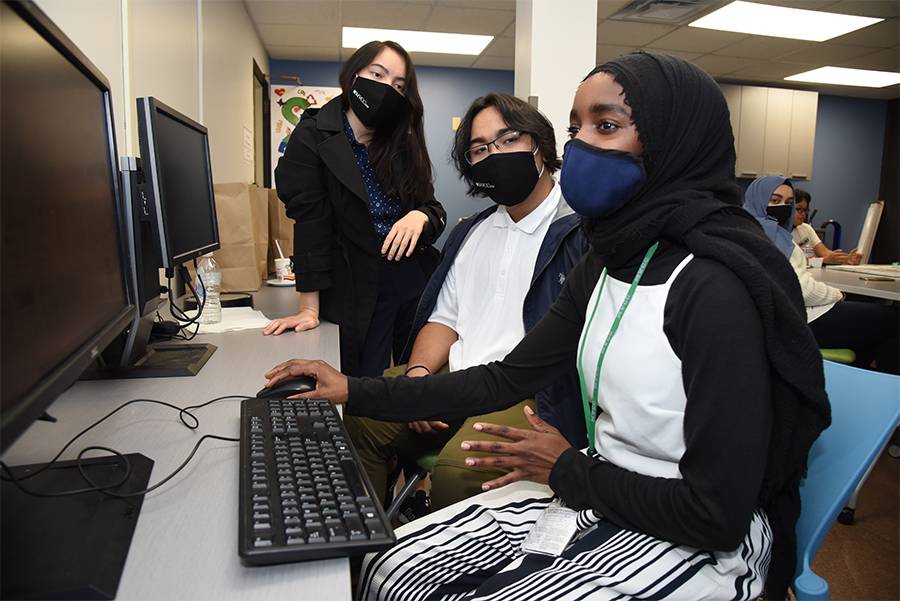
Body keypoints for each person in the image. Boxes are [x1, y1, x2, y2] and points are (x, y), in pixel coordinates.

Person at [265, 53, 832, 600]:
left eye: (606, 125)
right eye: (577, 127)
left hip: (695, 533)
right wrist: (353, 389)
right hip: (604, 491)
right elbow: (504, 377)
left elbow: (715, 514)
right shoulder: (609, 260)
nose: (581, 145)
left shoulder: (714, 285)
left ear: (674, 141)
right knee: (389, 569)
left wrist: (565, 468)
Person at [344, 93, 588, 512]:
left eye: (508, 139)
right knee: (360, 418)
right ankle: (363, 547)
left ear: (540, 146)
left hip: (530, 392)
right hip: (457, 377)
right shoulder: (469, 233)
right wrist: (420, 378)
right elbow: (445, 319)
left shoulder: (581, 233)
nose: (494, 155)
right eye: (479, 149)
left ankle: (446, 569)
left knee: (460, 470)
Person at [264, 41, 446, 377]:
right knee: (364, 383)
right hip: (355, 285)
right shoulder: (313, 137)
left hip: (412, 279)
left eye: (399, 85)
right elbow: (311, 224)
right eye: (378, 74)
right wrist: (308, 308)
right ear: (354, 75)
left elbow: (433, 209)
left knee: (418, 380)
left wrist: (419, 216)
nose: (387, 89)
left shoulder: (400, 143)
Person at [745, 176, 898, 374]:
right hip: (795, 321)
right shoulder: (768, 236)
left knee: (871, 329)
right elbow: (798, 288)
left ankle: (855, 382)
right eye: (775, 201)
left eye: (789, 203)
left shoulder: (761, 231)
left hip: (789, 315)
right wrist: (837, 295)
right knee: (892, 321)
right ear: (758, 200)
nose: (784, 207)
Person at [792, 188, 861, 265]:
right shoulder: (779, 233)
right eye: (798, 209)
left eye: (805, 210)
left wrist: (845, 259)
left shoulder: (806, 228)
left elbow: (824, 252)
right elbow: (794, 262)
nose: (803, 214)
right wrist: (822, 261)